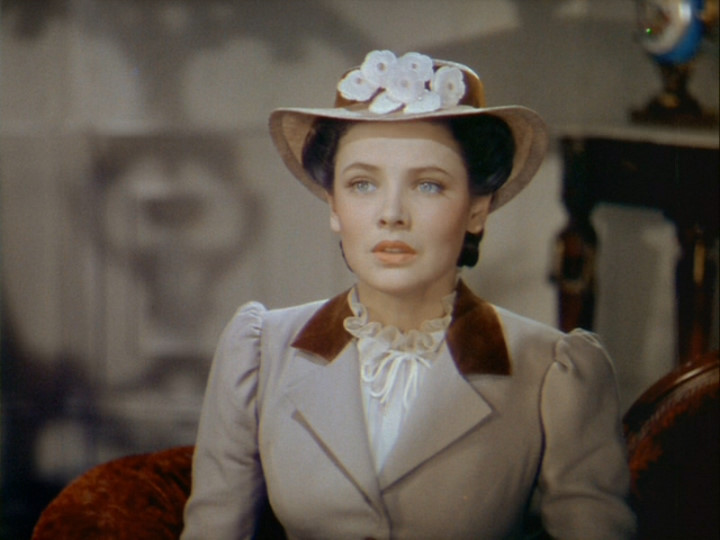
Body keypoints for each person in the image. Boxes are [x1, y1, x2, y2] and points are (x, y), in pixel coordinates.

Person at [181, 50, 636, 539]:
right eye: (362, 184)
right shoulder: (261, 352)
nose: (392, 213)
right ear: (333, 204)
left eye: (428, 185)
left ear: (477, 209)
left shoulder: (553, 372)